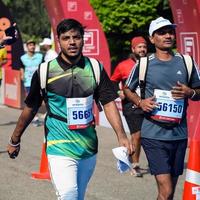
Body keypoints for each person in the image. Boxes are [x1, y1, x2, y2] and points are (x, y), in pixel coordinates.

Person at [7, 18, 133, 200]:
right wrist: (14, 139)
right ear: (59, 41)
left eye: (76, 37)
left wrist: (121, 136)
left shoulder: (95, 68)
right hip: (59, 144)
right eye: (66, 38)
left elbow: (108, 102)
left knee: (78, 196)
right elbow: (30, 107)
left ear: (83, 39)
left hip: (88, 146)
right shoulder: (45, 71)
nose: (72, 42)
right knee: (68, 195)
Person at [124, 16, 200, 200]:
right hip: (153, 134)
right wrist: (140, 102)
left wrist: (190, 92)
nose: (167, 36)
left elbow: (199, 90)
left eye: (170, 32)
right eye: (161, 32)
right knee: (165, 191)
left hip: (179, 135)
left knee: (169, 193)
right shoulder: (144, 64)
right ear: (152, 39)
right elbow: (127, 88)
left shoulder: (187, 62)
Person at [111, 36, 147, 177]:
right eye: (139, 47)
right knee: (137, 135)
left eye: (144, 46)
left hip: (148, 104)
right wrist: (119, 91)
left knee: (145, 135)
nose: (142, 49)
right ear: (133, 49)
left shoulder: (151, 63)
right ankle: (135, 164)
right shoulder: (123, 65)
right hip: (130, 106)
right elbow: (112, 81)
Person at [20, 39, 43, 126]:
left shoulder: (40, 56)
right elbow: (21, 68)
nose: (32, 46)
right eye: (30, 45)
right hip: (28, 82)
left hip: (40, 81)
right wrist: (22, 75)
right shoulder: (23, 58)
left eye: (33, 45)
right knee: (32, 101)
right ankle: (35, 117)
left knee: (42, 100)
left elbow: (43, 66)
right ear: (27, 47)